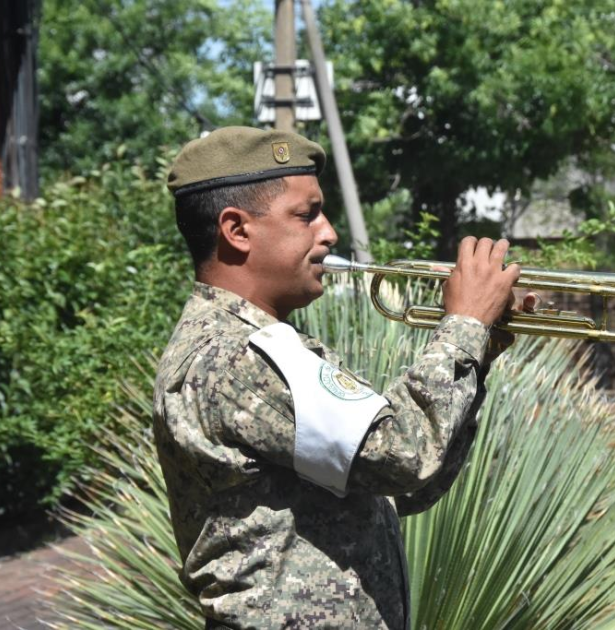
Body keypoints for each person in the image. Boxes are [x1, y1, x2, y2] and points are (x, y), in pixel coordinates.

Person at [154, 126, 523, 630]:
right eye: (306, 215)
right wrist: (464, 329)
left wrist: (478, 354)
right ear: (237, 230)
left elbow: (406, 485)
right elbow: (405, 454)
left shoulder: (263, 345)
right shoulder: (235, 355)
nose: (328, 233)